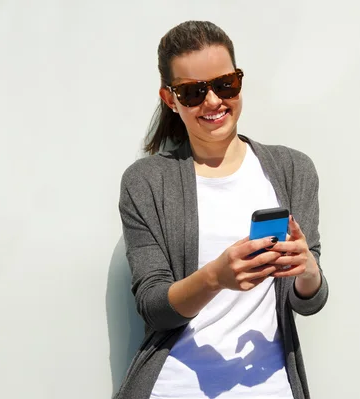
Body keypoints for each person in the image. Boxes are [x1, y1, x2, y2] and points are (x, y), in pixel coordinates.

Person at [116, 20, 329, 399]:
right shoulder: (145, 182)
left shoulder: (293, 169)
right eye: (194, 92)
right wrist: (215, 276)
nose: (213, 101)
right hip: (174, 386)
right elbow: (153, 307)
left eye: (225, 84)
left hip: (270, 387)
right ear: (170, 99)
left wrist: (307, 269)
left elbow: (308, 300)